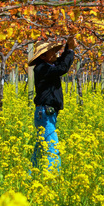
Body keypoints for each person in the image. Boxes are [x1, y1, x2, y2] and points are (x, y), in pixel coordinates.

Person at [28, 36, 77, 171]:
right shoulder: (42, 68)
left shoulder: (46, 66)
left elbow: (61, 62)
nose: (55, 53)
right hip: (45, 112)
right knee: (52, 147)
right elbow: (62, 68)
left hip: (46, 113)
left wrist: (68, 47)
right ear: (43, 57)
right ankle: (53, 178)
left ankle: (29, 177)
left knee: (41, 146)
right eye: (52, 52)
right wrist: (71, 50)